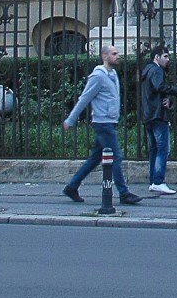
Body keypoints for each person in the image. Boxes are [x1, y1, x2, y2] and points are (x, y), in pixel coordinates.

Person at [62, 43, 144, 205]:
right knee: (116, 156)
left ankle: (72, 186)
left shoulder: (112, 74)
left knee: (95, 159)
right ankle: (124, 192)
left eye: (117, 53)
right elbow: (84, 98)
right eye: (114, 53)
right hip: (102, 122)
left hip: (109, 121)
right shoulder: (98, 76)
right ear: (105, 56)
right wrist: (70, 120)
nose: (117, 56)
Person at [139, 45, 177, 194]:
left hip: (148, 115)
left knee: (153, 149)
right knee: (163, 148)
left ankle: (153, 181)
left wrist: (168, 101)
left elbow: (154, 93)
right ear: (156, 57)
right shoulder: (157, 70)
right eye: (165, 56)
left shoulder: (147, 71)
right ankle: (158, 181)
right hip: (158, 115)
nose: (168, 59)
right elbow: (160, 86)